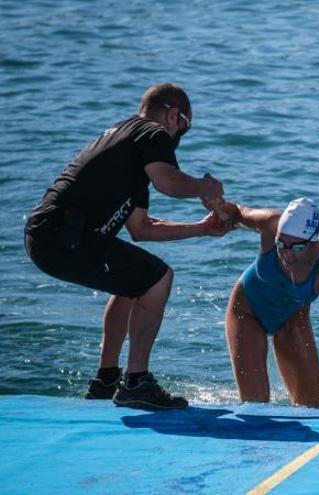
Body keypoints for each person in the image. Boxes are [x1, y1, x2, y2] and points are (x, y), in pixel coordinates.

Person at [24, 83, 231, 410]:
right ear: (173, 115)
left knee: (133, 282)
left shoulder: (129, 143)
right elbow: (169, 182)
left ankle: (106, 380)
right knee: (159, 277)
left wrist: (202, 229)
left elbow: (141, 229)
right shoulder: (152, 133)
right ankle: (136, 382)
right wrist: (205, 186)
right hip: (62, 237)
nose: (180, 138)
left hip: (51, 236)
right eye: (184, 129)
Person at [219, 198, 319, 408]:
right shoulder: (270, 223)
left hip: (292, 318)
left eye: (295, 247)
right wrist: (219, 208)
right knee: (256, 408)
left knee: (313, 408)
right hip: (247, 311)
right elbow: (239, 212)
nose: (286, 253)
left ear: (313, 244)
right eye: (281, 244)